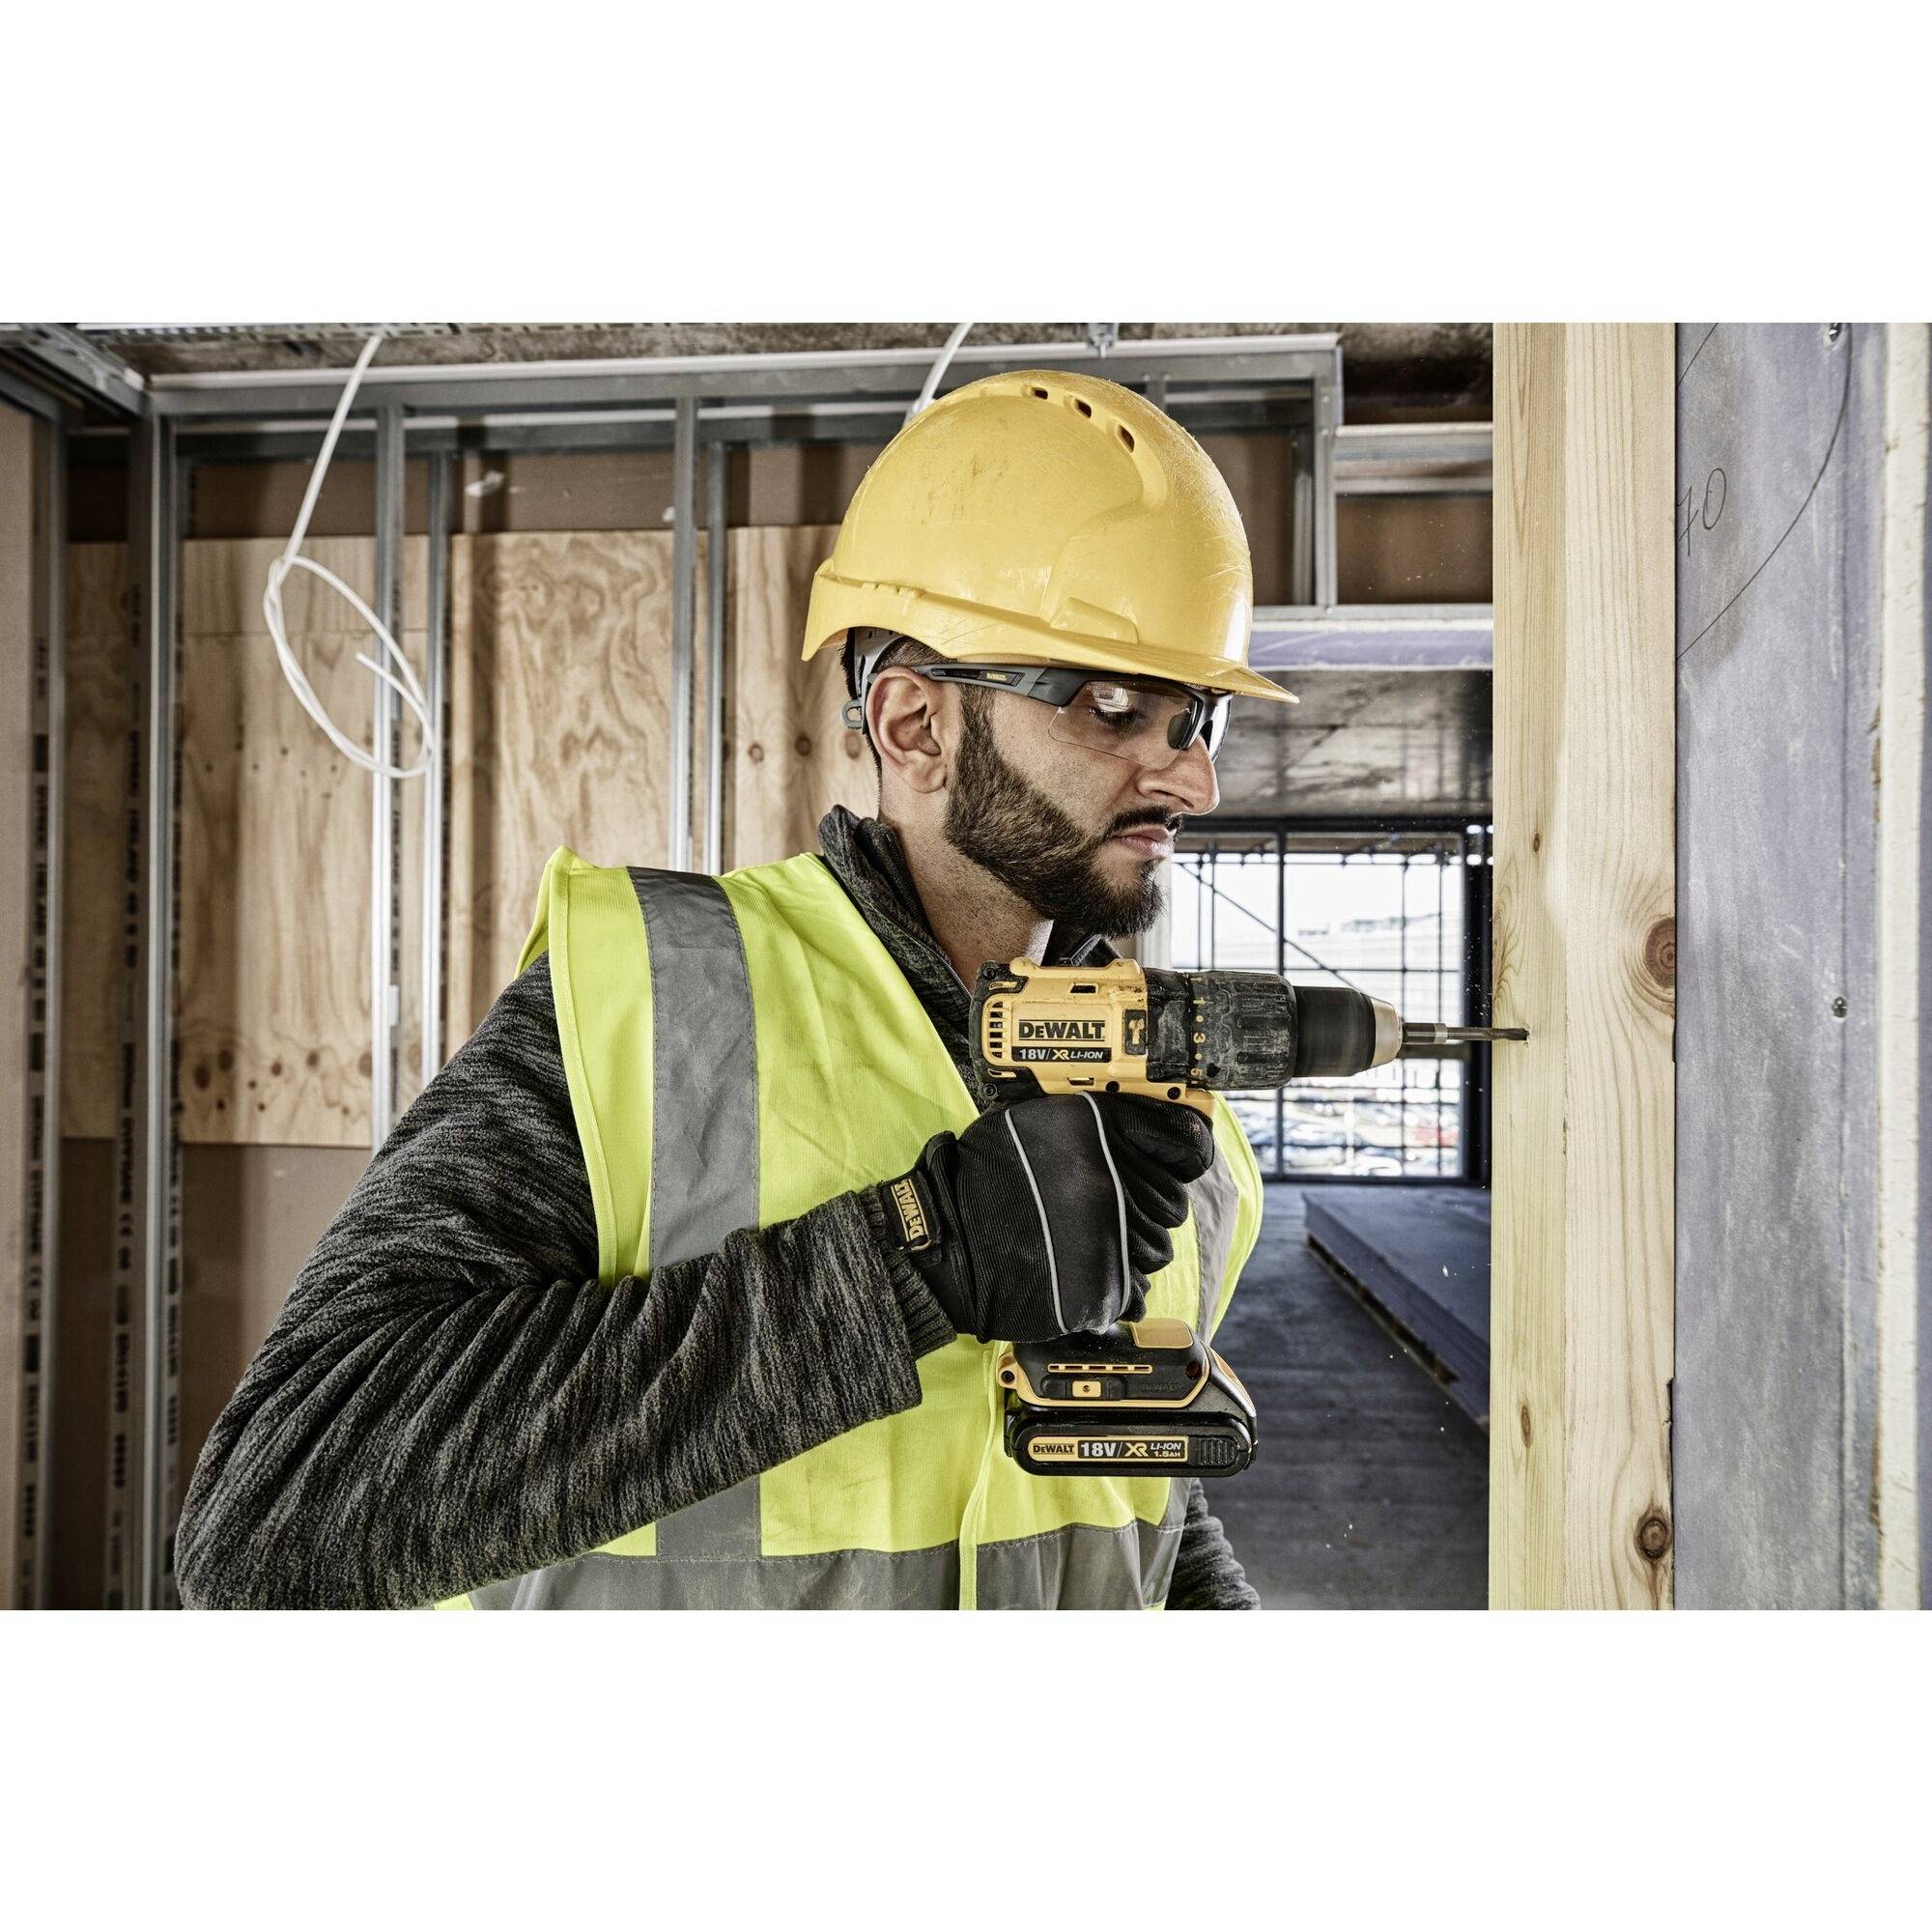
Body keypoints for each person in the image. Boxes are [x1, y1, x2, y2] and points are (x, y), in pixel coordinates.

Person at [174, 369, 1295, 1610]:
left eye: (1198, 721)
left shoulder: (1167, 1110)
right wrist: (912, 1262)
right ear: (914, 726)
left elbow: (1132, 1494)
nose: (1188, 781)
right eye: (1115, 707)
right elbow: (271, 1522)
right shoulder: (657, 1011)